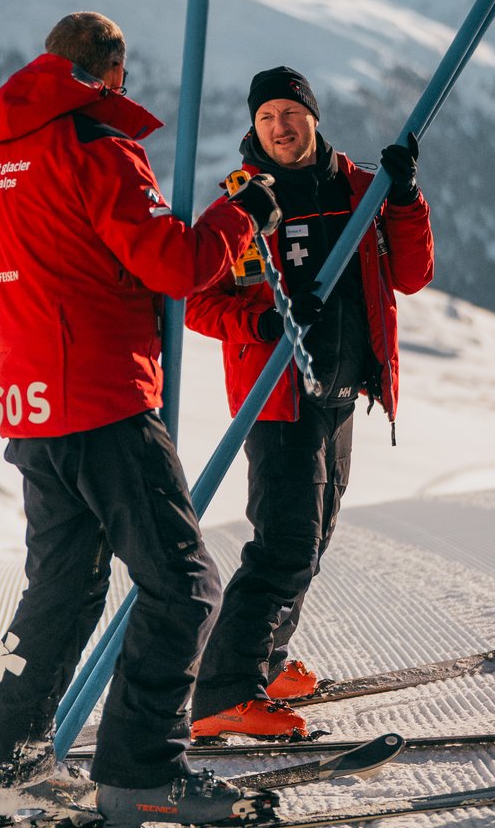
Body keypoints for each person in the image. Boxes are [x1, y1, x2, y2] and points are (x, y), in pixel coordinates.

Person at [0, 11, 283, 828]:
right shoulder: (96, 148)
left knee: (64, 587)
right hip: (104, 399)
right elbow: (174, 264)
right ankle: (141, 771)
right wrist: (246, 214)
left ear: (48, 63)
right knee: (184, 586)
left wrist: (10, 269)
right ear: (113, 76)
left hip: (31, 411)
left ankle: (1, 765)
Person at [186, 65, 434, 739]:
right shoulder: (241, 203)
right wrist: (258, 323)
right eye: (266, 116)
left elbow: (410, 276)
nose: (280, 126)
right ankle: (221, 692)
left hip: (340, 389)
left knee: (314, 535)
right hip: (277, 395)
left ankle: (260, 665)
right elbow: (195, 299)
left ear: (313, 117)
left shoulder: (359, 189)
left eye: (290, 114)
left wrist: (405, 197)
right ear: (253, 126)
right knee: (284, 544)